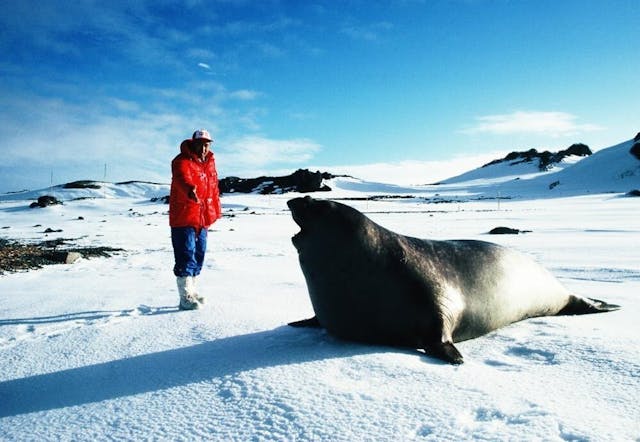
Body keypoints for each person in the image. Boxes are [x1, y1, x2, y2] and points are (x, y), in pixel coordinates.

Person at [169, 129, 222, 310]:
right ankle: (185, 297)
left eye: (207, 144)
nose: (204, 148)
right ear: (193, 143)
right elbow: (181, 178)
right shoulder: (181, 161)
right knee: (186, 254)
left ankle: (192, 290)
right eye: (201, 144)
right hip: (185, 216)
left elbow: (214, 189)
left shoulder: (210, 163)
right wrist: (189, 190)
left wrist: (215, 210)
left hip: (203, 218)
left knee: (199, 254)